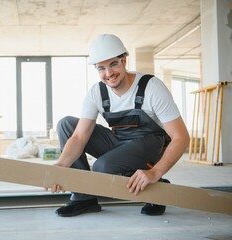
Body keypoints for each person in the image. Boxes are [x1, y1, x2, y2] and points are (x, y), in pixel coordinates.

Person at [45, 34, 190, 217]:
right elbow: (79, 137)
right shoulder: (97, 92)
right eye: (101, 68)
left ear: (124, 59)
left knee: (102, 167)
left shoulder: (151, 87)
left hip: (150, 144)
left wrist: (154, 173)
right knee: (67, 124)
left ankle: (157, 188)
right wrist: (60, 167)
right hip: (120, 142)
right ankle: (84, 198)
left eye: (113, 64)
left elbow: (181, 138)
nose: (109, 73)